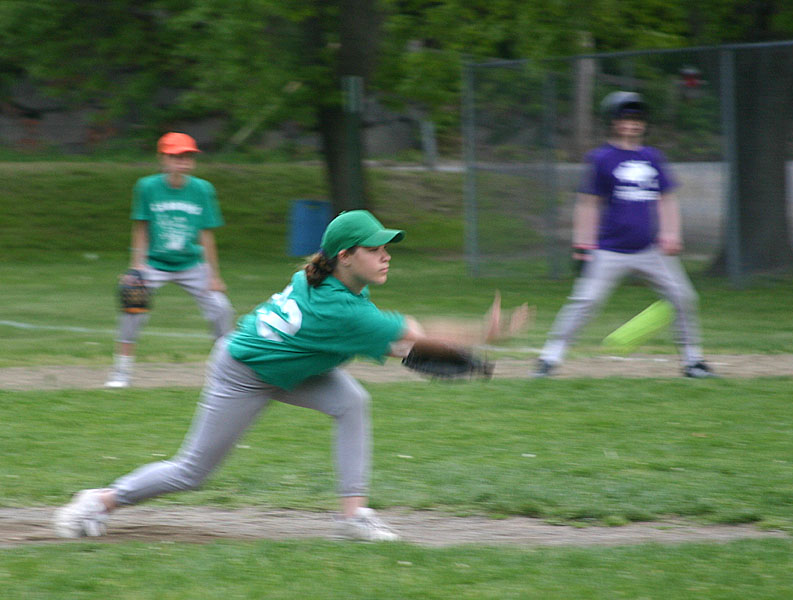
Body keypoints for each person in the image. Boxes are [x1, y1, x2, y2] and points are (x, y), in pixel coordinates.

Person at [56, 210, 526, 542]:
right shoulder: (340, 308)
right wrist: (481, 334)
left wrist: (428, 344)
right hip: (242, 373)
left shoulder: (324, 277)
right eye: (374, 249)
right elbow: (414, 337)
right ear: (345, 256)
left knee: (352, 402)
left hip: (291, 366)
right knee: (193, 472)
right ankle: (98, 502)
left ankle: (354, 517)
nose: (386, 256)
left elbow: (404, 338)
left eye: (387, 248)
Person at [533, 91, 715, 379]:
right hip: (609, 250)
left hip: (650, 249)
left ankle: (693, 362)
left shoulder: (652, 157)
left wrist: (671, 233)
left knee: (683, 296)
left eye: (637, 118)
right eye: (625, 118)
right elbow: (588, 203)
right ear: (613, 122)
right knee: (586, 302)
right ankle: (549, 358)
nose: (631, 124)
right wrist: (583, 244)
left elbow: (666, 198)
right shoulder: (602, 158)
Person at [105, 132, 235, 388]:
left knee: (221, 309)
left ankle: (229, 372)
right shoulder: (147, 187)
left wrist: (214, 276)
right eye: (176, 156)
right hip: (154, 263)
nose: (182, 161)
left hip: (192, 264)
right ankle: (122, 372)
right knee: (132, 308)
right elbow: (141, 226)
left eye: (187, 156)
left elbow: (206, 234)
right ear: (162, 158)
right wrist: (136, 267)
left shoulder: (202, 189)